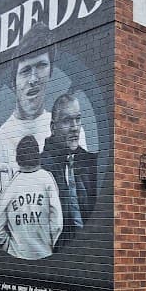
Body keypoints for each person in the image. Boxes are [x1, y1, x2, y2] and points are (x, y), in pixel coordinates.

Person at [0, 22, 87, 192]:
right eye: (25, 70)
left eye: (41, 66)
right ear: (13, 82)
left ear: (51, 71)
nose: (33, 79)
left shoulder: (71, 130)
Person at [41, 91, 97, 249]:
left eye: (78, 119)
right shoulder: (41, 169)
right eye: (67, 121)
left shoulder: (91, 163)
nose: (75, 128)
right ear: (53, 127)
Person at [0, 135, 63, 260]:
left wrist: (10, 248)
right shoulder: (47, 179)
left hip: (17, 256)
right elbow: (57, 223)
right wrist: (50, 244)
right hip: (45, 253)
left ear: (18, 158)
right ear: (37, 155)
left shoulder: (11, 186)